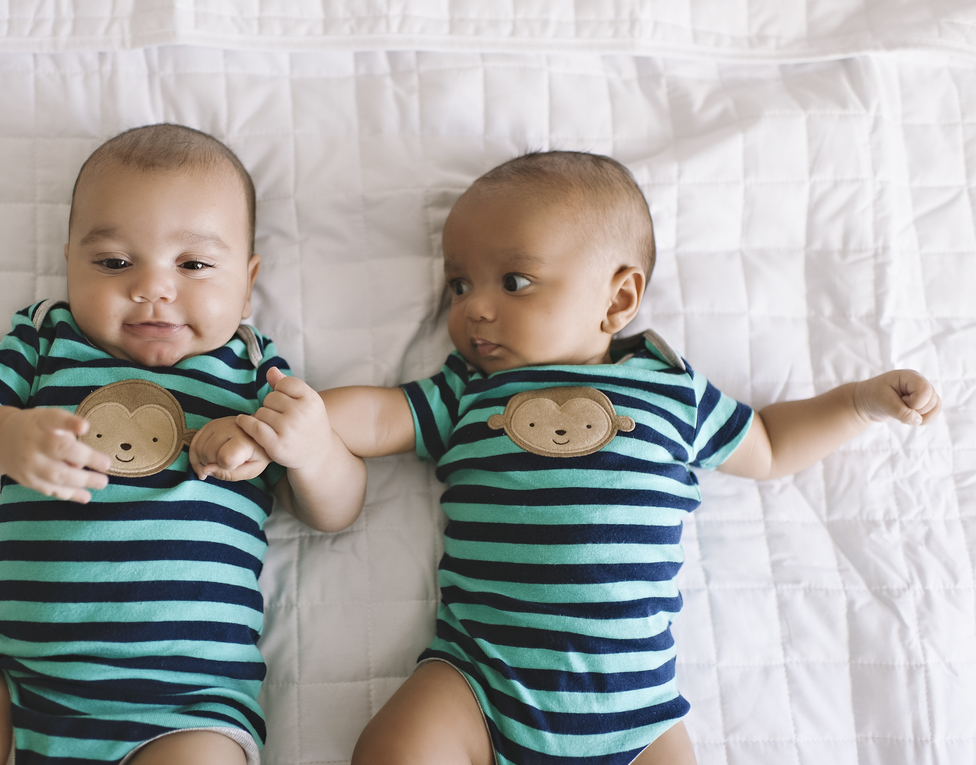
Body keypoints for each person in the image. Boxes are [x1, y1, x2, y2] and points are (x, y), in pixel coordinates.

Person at [215, 150, 943, 764]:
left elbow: (773, 444)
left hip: (636, 705)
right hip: (479, 676)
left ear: (618, 296)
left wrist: (857, 403)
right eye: (460, 283)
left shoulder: (672, 389)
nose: (474, 308)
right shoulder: (470, 390)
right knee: (391, 749)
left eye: (514, 281)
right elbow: (379, 413)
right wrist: (291, 421)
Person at [0, 124, 364, 765]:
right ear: (69, 261)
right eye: (113, 263)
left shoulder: (255, 371)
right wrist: (5, 436)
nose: (153, 287)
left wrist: (314, 451)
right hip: (16, 678)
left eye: (195, 265)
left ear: (248, 280)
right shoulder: (50, 342)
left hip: (187, 706)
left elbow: (336, 510)